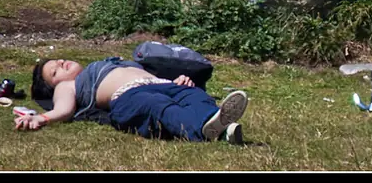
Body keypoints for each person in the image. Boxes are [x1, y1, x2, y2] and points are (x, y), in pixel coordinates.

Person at [14, 56, 248, 145]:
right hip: (128, 96)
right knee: (157, 106)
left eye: (58, 60)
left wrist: (176, 80)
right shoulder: (67, 86)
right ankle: (204, 129)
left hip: (161, 84)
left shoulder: (107, 63)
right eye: (55, 71)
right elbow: (64, 109)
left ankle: (218, 126)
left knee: (193, 94)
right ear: (54, 85)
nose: (61, 63)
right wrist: (42, 118)